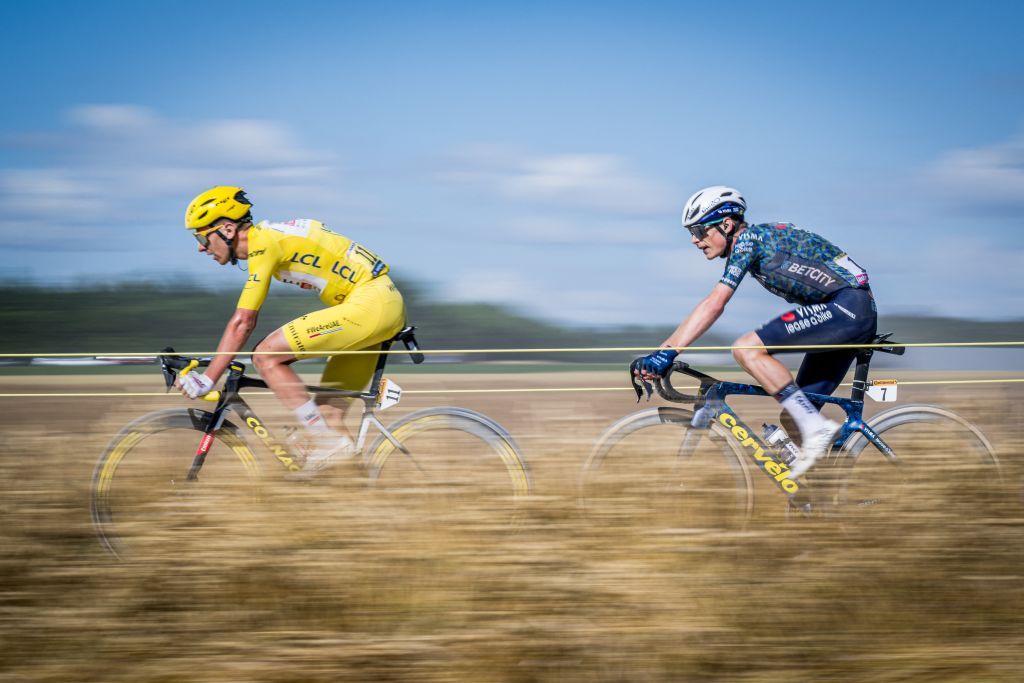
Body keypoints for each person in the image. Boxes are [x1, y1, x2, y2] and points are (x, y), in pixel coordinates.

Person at [637, 185, 876, 479]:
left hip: (847, 308)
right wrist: (662, 351)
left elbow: (715, 303)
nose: (694, 241)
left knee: (747, 348)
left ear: (726, 225)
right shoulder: (756, 240)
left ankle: (817, 430)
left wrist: (667, 353)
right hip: (845, 311)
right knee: (794, 417)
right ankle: (825, 494)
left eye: (699, 231)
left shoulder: (749, 240)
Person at [177, 186, 405, 477]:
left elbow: (243, 322)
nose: (200, 247)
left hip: (371, 304)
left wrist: (208, 379)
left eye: (201, 236)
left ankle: (325, 444)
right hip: (379, 302)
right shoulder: (273, 237)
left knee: (265, 356)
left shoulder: (263, 243)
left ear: (228, 229)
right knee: (328, 417)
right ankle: (358, 492)